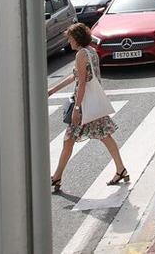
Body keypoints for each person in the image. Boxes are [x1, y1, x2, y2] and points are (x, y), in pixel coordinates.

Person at [47, 23, 128, 191]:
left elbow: (82, 83)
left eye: (70, 39)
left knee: (69, 140)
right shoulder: (90, 51)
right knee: (104, 136)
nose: (69, 42)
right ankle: (121, 169)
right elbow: (76, 76)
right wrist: (53, 90)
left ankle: (56, 177)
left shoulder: (81, 55)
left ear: (77, 39)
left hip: (84, 105)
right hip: (91, 103)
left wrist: (77, 108)